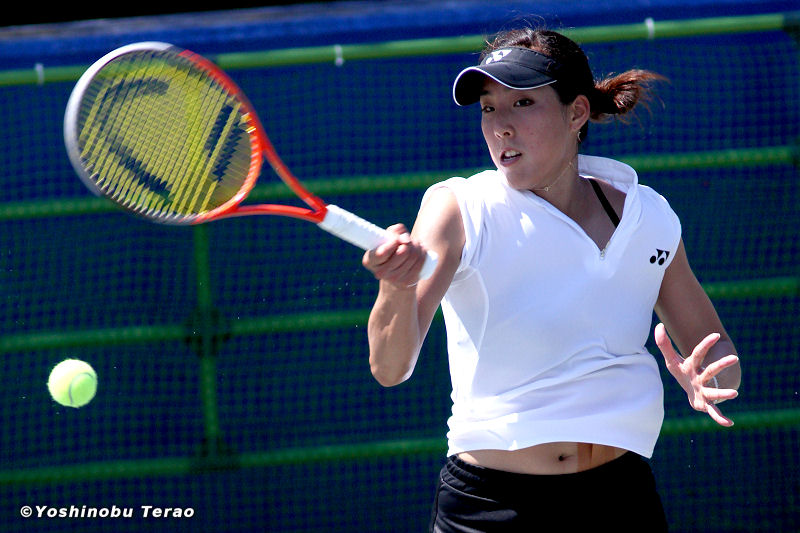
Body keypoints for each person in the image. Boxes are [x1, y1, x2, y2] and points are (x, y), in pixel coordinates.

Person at [362, 26, 742, 532]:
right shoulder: (458, 209)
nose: (500, 127)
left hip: (621, 499)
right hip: (489, 509)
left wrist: (709, 379)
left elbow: (720, 357)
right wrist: (396, 286)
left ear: (577, 112)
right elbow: (390, 368)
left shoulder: (649, 217)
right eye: (488, 108)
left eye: (522, 103)